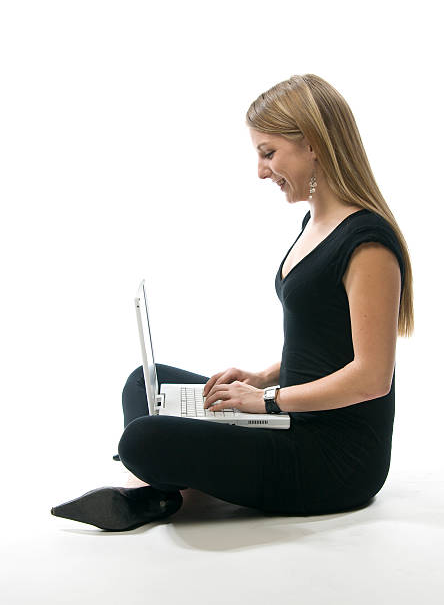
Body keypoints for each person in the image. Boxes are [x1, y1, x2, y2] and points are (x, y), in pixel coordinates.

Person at [50, 73, 414, 531]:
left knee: (143, 438)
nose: (261, 171)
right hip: (291, 416)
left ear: (314, 145)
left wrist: (266, 401)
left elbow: (371, 378)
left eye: (268, 153)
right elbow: (325, 342)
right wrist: (264, 376)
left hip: (332, 458)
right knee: (144, 383)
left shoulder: (367, 244)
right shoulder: (315, 224)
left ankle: (155, 491)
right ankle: (163, 488)